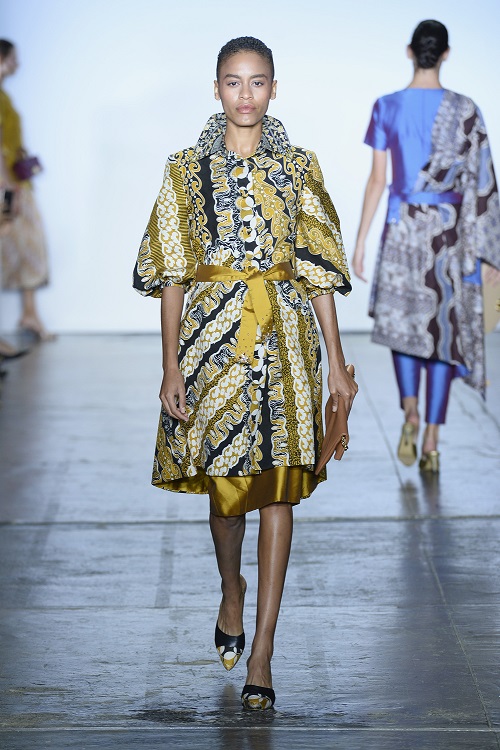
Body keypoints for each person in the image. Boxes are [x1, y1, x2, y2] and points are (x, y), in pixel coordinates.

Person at [133, 36, 357, 710]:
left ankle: (262, 650)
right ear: (217, 87)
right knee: (228, 501)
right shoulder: (184, 169)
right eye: (234, 82)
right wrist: (170, 361)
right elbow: (171, 271)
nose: (246, 95)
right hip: (212, 344)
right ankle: (231, 588)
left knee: (280, 492)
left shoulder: (298, 168)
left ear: (274, 87)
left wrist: (339, 369)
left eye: (257, 82)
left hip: (286, 341)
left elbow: (317, 271)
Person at [352, 20, 500, 473]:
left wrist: (359, 242)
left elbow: (379, 179)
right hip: (449, 235)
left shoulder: (387, 106)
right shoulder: (466, 109)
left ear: (410, 51)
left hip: (402, 229)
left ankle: (411, 413)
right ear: (446, 54)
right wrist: (489, 253)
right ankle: (433, 439)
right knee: (443, 333)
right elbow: (484, 183)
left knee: (404, 325)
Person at [0, 39, 53, 341]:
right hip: (8, 186)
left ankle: (29, 313)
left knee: (28, 247)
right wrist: (7, 185)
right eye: (13, 59)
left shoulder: (4, 97)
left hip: (15, 183)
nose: (17, 64)